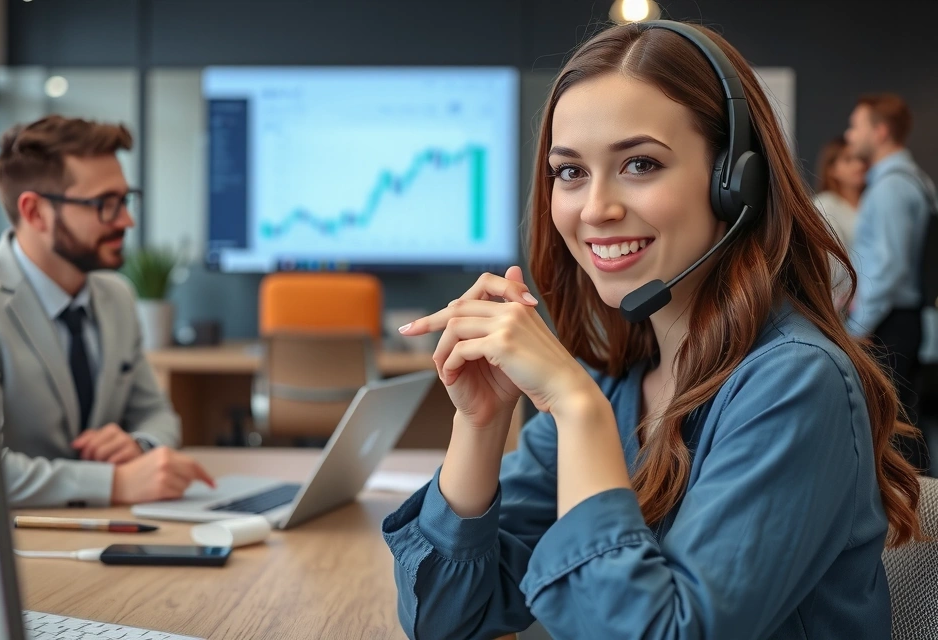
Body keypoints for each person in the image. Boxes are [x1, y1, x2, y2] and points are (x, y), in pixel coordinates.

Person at [382, 21, 920, 639]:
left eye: (640, 164)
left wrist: (577, 409)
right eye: (570, 172)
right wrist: (480, 425)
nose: (595, 208)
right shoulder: (616, 382)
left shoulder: (796, 383)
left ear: (734, 183)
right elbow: (445, 618)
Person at [0, 115, 215, 508]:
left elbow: (157, 414)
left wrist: (139, 446)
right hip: (21, 539)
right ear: (35, 212)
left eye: (125, 199)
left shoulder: (117, 297)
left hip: (104, 530)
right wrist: (115, 483)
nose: (127, 220)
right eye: (104, 204)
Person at [845, 93, 936, 470]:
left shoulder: (890, 188)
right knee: (902, 424)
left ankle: (912, 506)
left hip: (889, 324)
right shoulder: (913, 179)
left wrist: (855, 330)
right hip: (901, 320)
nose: (849, 135)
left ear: (880, 132)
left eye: (856, 126)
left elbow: (887, 269)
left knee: (892, 430)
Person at [813, 135, 865, 250]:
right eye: (848, 160)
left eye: (861, 159)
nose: (859, 165)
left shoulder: (872, 200)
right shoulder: (825, 206)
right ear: (832, 170)